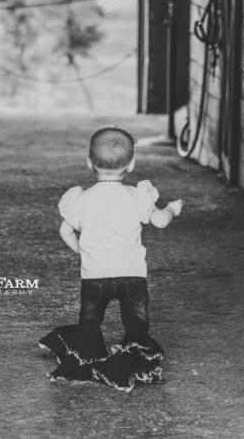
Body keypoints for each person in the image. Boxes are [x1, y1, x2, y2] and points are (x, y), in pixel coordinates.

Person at [39, 126, 182, 391]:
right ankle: (132, 364)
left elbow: (65, 231)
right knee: (136, 325)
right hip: (132, 276)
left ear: (88, 162)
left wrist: (84, 253)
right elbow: (160, 221)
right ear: (132, 164)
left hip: (95, 277)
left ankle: (87, 361)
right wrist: (172, 208)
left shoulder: (82, 200)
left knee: (90, 323)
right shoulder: (137, 196)